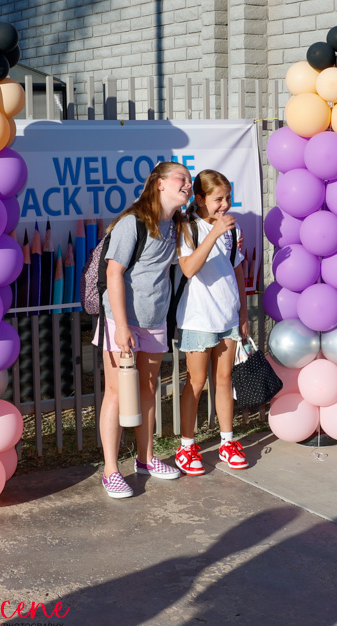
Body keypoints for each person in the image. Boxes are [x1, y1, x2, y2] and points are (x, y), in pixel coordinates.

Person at [96, 161, 187, 498]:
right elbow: (113, 273)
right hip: (122, 322)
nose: (187, 185)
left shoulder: (175, 225)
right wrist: (121, 326)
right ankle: (110, 471)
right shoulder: (131, 223)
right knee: (117, 394)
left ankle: (146, 460)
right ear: (160, 184)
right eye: (182, 179)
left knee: (148, 389)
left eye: (189, 181)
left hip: (155, 321)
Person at [173, 169, 250, 476]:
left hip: (227, 315)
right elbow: (189, 269)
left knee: (224, 379)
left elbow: (239, 270)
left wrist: (243, 313)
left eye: (228, 197)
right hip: (198, 317)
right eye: (219, 199)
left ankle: (227, 441)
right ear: (200, 199)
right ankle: (187, 445)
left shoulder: (232, 228)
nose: (225, 205)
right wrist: (215, 233)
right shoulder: (187, 228)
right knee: (195, 381)